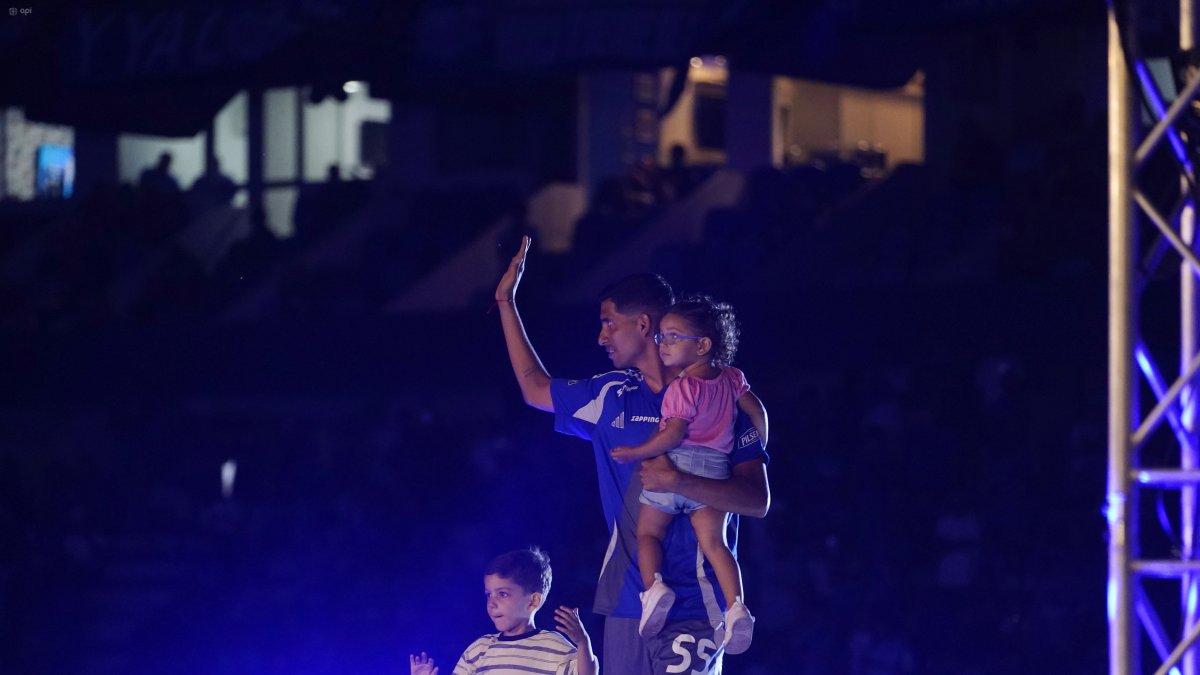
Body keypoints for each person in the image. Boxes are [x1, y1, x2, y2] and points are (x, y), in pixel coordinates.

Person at [494, 236, 771, 674]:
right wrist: (506, 303)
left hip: (695, 606)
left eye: (609, 323)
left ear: (643, 325)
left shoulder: (720, 398)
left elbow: (757, 501)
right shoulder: (611, 395)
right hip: (628, 601)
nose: (601, 336)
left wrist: (679, 482)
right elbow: (533, 387)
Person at [610, 295, 765, 654]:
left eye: (673, 337)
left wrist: (637, 452)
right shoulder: (732, 378)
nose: (663, 344)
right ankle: (736, 607)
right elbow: (755, 408)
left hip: (677, 465)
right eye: (662, 336)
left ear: (703, 345)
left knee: (648, 531)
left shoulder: (682, 387)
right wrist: (761, 435)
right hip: (715, 471)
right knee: (715, 544)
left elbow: (673, 434)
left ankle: (654, 589)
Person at [409, 547, 597, 675]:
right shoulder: (479, 650)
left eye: (503, 594)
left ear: (533, 601)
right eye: (488, 594)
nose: (492, 603)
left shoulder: (554, 646)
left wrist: (582, 642)